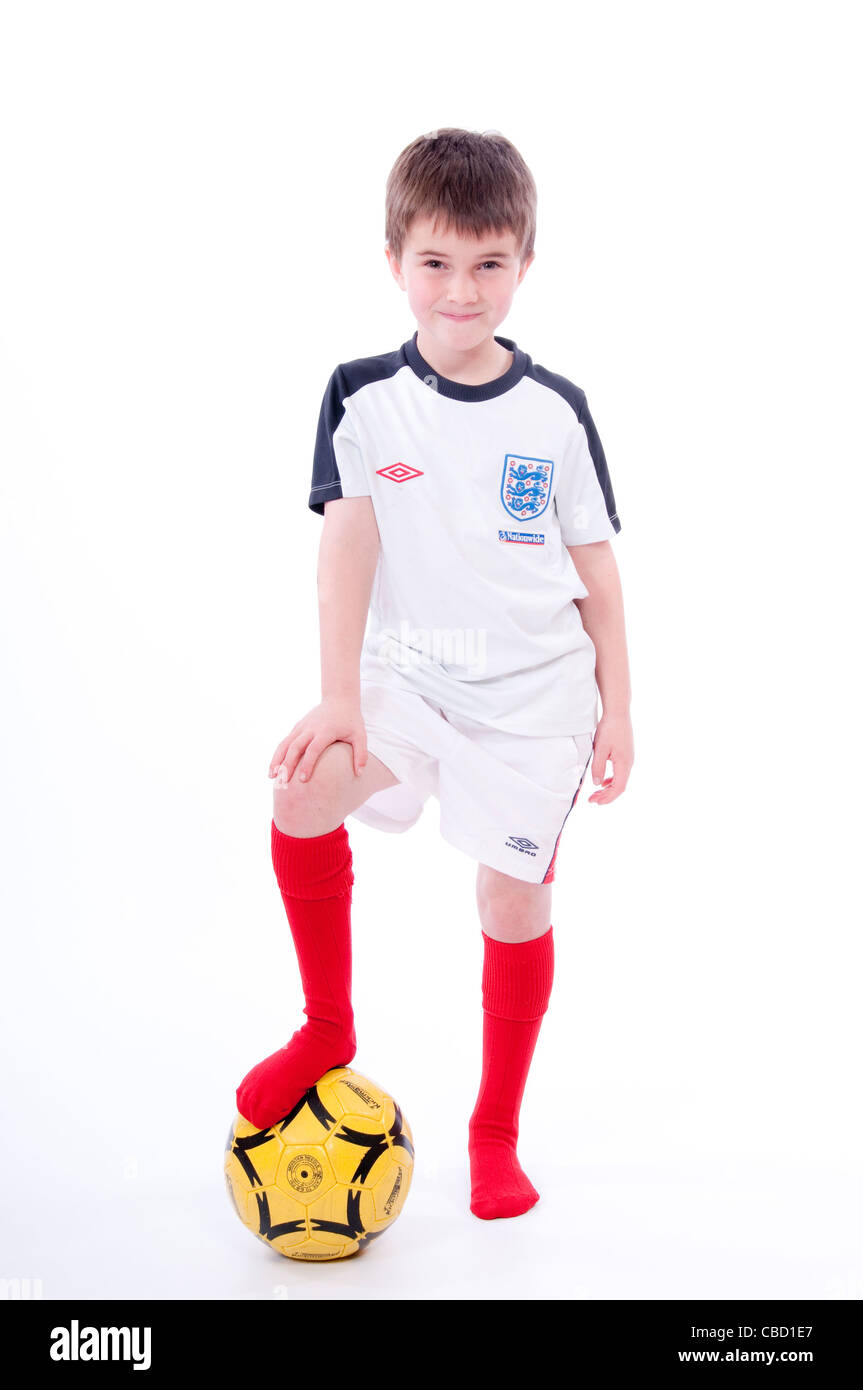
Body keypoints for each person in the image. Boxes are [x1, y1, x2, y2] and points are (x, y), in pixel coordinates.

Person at [236, 127, 634, 1221]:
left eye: (488, 263)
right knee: (300, 790)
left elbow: (597, 572)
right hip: (409, 681)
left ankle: (493, 1130)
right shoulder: (361, 397)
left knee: (512, 900)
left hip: (535, 705)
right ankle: (327, 1025)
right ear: (394, 262)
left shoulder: (555, 411)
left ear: (524, 264)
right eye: (435, 262)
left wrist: (619, 712)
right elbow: (346, 547)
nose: (461, 290)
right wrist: (340, 697)